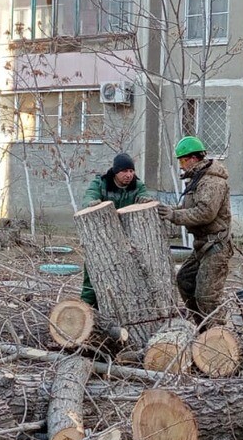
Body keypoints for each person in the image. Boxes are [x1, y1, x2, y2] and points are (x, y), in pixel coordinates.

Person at [156, 136, 232, 324]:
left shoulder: (211, 181)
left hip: (215, 246)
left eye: (182, 160)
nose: (181, 166)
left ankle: (218, 337)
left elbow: (205, 213)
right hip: (202, 245)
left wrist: (174, 216)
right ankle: (202, 327)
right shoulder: (197, 179)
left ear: (193, 159)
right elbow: (187, 207)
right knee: (185, 281)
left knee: (207, 297)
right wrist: (170, 210)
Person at [79, 152, 152, 307]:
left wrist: (144, 201)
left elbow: (144, 195)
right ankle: (86, 307)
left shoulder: (137, 186)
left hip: (127, 239)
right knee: (92, 275)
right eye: (124, 171)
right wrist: (92, 203)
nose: (129, 175)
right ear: (115, 171)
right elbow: (89, 196)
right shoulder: (101, 183)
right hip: (102, 239)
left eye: (131, 171)